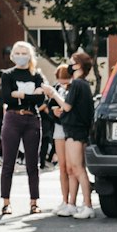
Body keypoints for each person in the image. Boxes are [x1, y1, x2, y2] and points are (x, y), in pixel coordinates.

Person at [44, 51, 97, 219]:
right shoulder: (83, 85)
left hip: (75, 130)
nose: (69, 63)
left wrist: (53, 93)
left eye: (72, 61)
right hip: (75, 129)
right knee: (72, 169)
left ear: (78, 65)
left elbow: (66, 107)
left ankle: (87, 205)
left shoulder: (77, 84)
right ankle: (72, 204)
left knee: (78, 168)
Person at [0, 40, 46, 216]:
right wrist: (30, 96)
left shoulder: (36, 75)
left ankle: (34, 202)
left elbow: (41, 100)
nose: (20, 56)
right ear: (12, 56)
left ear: (30, 55)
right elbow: (7, 98)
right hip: (12, 118)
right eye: (17, 53)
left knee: (33, 164)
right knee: (8, 163)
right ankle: (6, 202)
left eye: (23, 52)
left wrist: (20, 95)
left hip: (32, 119)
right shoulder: (7, 74)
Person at [49, 64, 73, 212]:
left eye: (65, 81)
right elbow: (49, 106)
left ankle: (72, 201)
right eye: (60, 81)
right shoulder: (55, 88)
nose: (63, 84)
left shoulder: (74, 88)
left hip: (71, 129)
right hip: (58, 128)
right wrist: (54, 111)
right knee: (62, 167)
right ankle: (65, 200)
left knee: (72, 167)